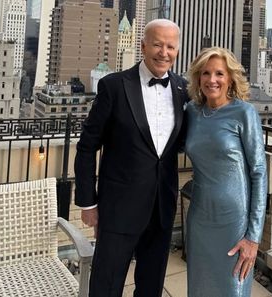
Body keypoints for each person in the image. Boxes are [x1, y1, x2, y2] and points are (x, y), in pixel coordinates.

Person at [74, 19, 188, 297]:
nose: (164, 52)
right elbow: (87, 147)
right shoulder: (113, 86)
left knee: (151, 285)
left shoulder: (184, 88)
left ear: (177, 50)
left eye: (170, 46)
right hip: (118, 208)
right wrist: (88, 202)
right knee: (106, 284)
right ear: (143, 45)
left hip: (161, 207)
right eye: (158, 44)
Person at [185, 47, 267, 297]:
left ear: (230, 78)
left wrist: (253, 236)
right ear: (198, 77)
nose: (212, 80)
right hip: (199, 219)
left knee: (232, 289)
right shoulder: (191, 112)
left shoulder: (244, 112)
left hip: (234, 223)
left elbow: (259, 173)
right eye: (206, 73)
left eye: (219, 73)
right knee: (199, 289)